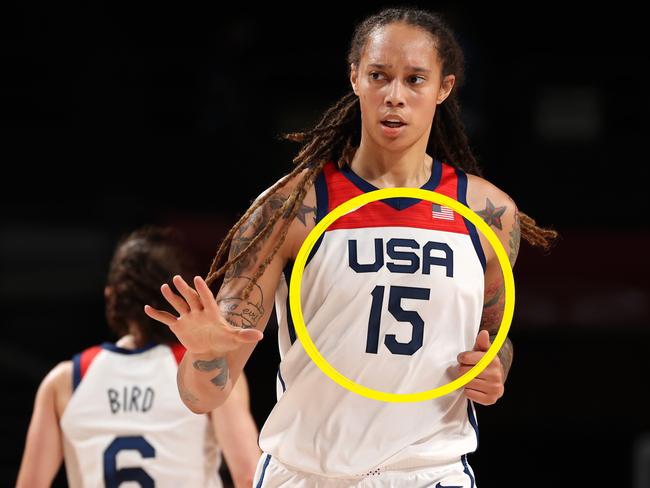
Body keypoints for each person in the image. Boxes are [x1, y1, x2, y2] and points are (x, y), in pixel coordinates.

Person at [145, 7, 557, 487]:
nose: (395, 97)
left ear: (444, 88)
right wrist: (202, 355)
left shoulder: (489, 213)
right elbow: (203, 398)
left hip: (429, 472)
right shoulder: (290, 208)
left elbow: (495, 333)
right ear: (355, 77)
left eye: (415, 80)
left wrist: (494, 369)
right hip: (307, 471)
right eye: (379, 76)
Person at [16, 227, 260, 488]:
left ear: (111, 296)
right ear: (174, 298)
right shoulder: (206, 368)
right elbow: (248, 477)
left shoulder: (66, 380)